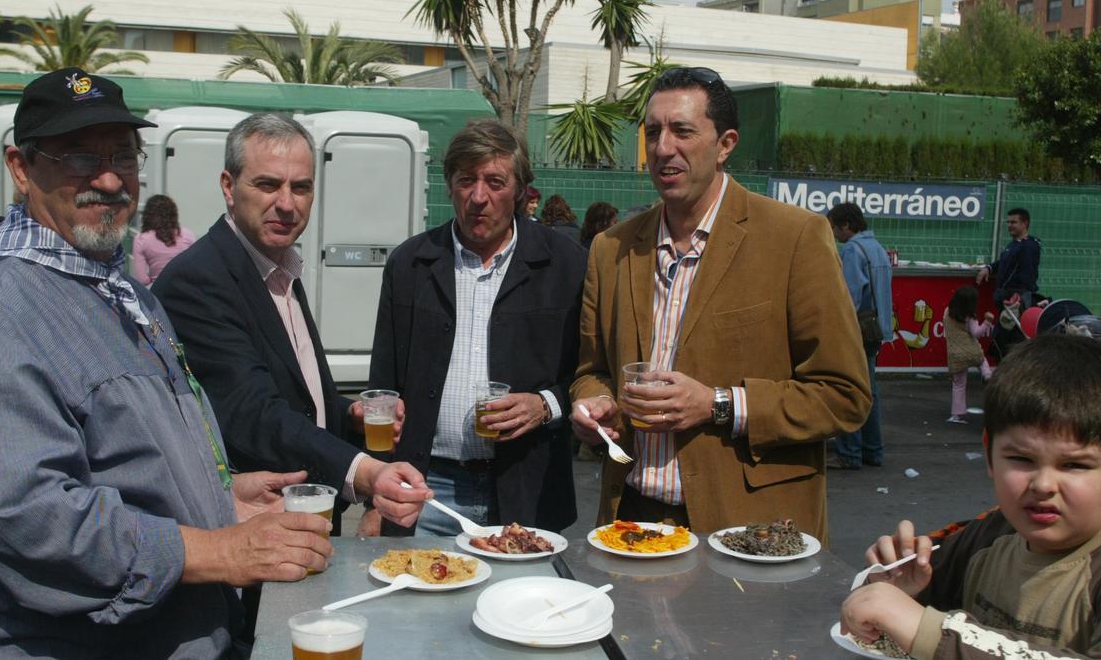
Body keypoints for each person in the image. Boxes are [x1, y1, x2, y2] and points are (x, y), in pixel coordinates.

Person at [0, 67, 335, 658]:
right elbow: (29, 518)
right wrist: (218, 550)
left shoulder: (126, 294)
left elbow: (124, 458)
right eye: (79, 157)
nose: (110, 178)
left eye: (124, 155)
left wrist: (220, 498)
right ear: (20, 167)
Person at [568, 67, 870, 542]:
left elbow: (845, 396)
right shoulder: (612, 249)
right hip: (631, 516)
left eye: (682, 131)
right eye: (652, 132)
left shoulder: (794, 238)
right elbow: (591, 369)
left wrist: (718, 404)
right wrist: (595, 402)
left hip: (749, 527)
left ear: (726, 144)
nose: (663, 148)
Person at [153, 113, 431, 539]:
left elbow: (295, 393)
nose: (287, 203)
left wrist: (347, 414)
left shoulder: (277, 266)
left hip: (305, 521)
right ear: (229, 187)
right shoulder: (201, 279)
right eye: (267, 184)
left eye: (300, 187)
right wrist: (365, 471)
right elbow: (252, 411)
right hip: (254, 532)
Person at [369, 119, 587, 536]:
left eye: (495, 181)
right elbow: (383, 387)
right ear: (449, 184)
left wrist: (546, 405)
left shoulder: (566, 265)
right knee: (422, 601)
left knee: (521, 601)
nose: (478, 197)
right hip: (427, 492)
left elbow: (590, 374)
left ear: (522, 191)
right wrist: (373, 495)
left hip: (528, 490)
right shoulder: (411, 264)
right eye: (466, 180)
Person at [840, 334, 1101, 659]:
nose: (1044, 484)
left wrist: (928, 631)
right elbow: (897, 607)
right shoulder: (987, 536)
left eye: (1074, 464)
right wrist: (899, 589)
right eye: (1021, 459)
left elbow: (927, 630)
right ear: (990, 455)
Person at [827, 202, 894, 470]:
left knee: (849, 389)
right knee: (870, 391)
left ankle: (849, 452)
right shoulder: (876, 248)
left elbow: (850, 297)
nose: (833, 234)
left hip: (857, 329)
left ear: (846, 225)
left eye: (834, 227)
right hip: (876, 330)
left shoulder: (853, 250)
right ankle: (872, 450)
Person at [944, 285, 994, 425]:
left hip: (955, 354)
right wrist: (987, 322)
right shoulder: (969, 317)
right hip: (971, 351)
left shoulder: (947, 312)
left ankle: (956, 415)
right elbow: (977, 333)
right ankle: (987, 375)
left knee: (959, 385)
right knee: (982, 361)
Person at [976, 208, 1041, 310]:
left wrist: (1018, 297)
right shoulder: (1014, 244)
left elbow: (1027, 277)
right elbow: (1003, 261)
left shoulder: (1028, 246)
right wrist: (989, 268)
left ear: (1025, 223)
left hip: (1016, 301)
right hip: (1007, 299)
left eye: (1013, 222)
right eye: (1008, 222)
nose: (1009, 225)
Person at [132, 193, 195, 285]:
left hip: (158, 292)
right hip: (186, 290)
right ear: (173, 213)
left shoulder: (141, 239)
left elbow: (141, 279)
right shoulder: (187, 235)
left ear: (147, 215)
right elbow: (197, 268)